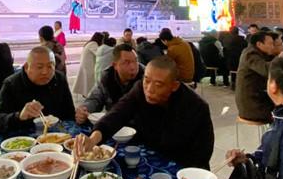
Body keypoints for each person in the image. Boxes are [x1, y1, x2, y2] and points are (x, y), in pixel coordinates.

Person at [74, 56, 214, 169]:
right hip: (149, 158)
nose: (149, 89)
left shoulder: (196, 107)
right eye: (147, 80)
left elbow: (202, 153)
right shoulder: (140, 89)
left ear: (174, 86)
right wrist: (93, 139)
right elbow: (118, 113)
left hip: (182, 167)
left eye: (158, 84)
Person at [0, 46, 75, 134]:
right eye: (39, 67)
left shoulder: (59, 79)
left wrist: (79, 116)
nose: (45, 72)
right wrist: (19, 116)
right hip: (22, 137)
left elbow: (70, 114)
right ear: (26, 67)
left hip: (56, 136)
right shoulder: (12, 84)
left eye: (50, 66)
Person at [76, 44, 144, 123]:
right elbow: (95, 98)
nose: (133, 67)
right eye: (126, 63)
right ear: (115, 65)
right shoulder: (107, 77)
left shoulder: (146, 77)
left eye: (135, 61)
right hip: (113, 124)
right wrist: (85, 109)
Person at [236, 32, 280, 123]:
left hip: (257, 98)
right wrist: (280, 58)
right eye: (270, 44)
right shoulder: (250, 54)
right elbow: (266, 70)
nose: (273, 47)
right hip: (253, 105)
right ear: (259, 44)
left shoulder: (259, 53)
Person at [72, 32, 103, 97]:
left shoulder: (90, 43)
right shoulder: (93, 44)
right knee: (89, 81)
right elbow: (98, 53)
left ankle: (85, 93)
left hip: (86, 64)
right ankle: (88, 94)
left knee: (86, 80)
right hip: (88, 65)